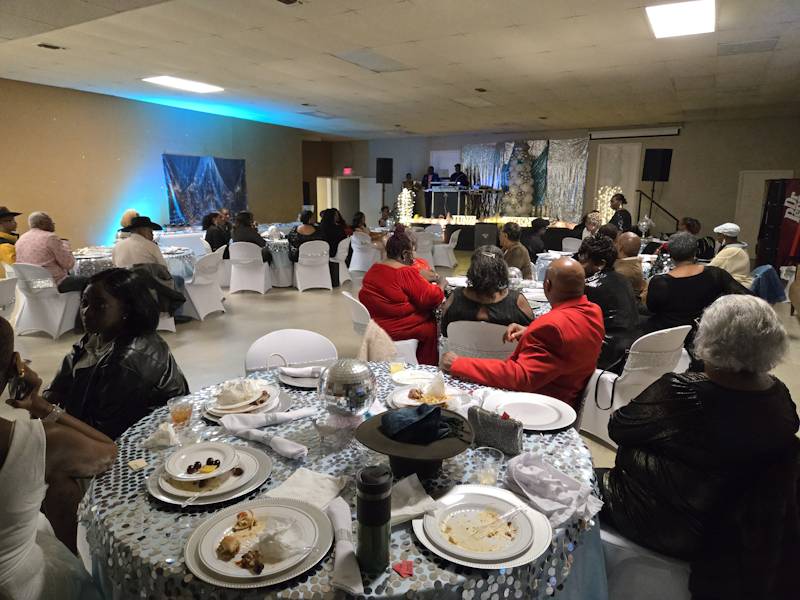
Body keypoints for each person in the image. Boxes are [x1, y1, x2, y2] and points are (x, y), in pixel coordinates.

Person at [597, 296, 799, 597]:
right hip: (738, 530)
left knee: (578, 480)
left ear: (709, 339)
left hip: (670, 521)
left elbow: (619, 427)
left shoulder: (682, 392)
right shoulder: (779, 395)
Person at [0, 319, 115, 599]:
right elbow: (108, 450)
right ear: (15, 366)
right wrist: (39, 405)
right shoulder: (34, 442)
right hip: (21, 586)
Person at [44, 268, 189, 441]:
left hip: (147, 441)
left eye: (99, 305)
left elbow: (103, 434)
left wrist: (45, 410)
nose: (86, 312)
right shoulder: (95, 337)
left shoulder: (129, 359)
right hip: (99, 430)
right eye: (84, 302)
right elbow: (59, 387)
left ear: (127, 309)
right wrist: (41, 399)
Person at [441, 257, 604, 408]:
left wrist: (459, 363)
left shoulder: (551, 326)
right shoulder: (594, 311)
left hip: (541, 405)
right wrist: (530, 330)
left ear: (547, 285)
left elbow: (521, 377)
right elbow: (568, 341)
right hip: (571, 396)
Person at [643, 232, 750, 350]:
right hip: (706, 335)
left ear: (670, 254)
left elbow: (652, 308)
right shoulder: (716, 274)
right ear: (695, 252)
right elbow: (747, 297)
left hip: (668, 338)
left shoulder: (660, 282)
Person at [359, 225, 445, 365]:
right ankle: (426, 366)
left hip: (377, 322)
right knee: (430, 326)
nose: (414, 258)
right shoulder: (404, 272)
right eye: (412, 253)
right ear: (405, 254)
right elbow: (431, 298)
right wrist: (441, 284)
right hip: (395, 328)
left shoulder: (375, 268)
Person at [577, 236, 639, 372]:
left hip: (604, 356)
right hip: (630, 351)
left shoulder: (589, 287)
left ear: (600, 264)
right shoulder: (624, 280)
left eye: (583, 261)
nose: (579, 266)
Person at [440, 246, 533, 336]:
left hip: (460, 347)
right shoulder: (517, 301)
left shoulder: (455, 298)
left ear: (472, 271)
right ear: (502, 270)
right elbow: (533, 334)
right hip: (505, 347)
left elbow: (444, 331)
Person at [16, 212, 88, 293]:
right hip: (51, 283)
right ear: (42, 223)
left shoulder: (21, 239)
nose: (53, 224)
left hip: (31, 285)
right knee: (90, 281)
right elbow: (68, 264)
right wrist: (66, 246)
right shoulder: (50, 237)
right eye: (51, 221)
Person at [710, 222, 752, 287]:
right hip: (741, 284)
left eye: (718, 235)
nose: (717, 238)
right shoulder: (741, 248)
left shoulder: (730, 250)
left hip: (734, 285)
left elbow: (711, 268)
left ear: (724, 236)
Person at [318, 208, 347, 286]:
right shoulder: (339, 228)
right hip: (336, 252)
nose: (338, 217)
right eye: (336, 215)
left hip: (326, 252)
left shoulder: (320, 229)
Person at [614, 231, 645, 300]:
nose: (615, 245)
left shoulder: (621, 272)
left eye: (617, 243)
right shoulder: (634, 263)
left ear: (620, 247)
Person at [0, 206, 20, 275]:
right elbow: (15, 271)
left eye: (14, 220)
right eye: (9, 221)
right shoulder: (5, 246)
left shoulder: (11, 239)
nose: (15, 223)